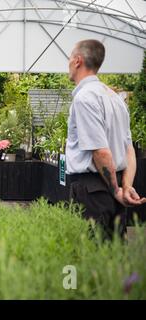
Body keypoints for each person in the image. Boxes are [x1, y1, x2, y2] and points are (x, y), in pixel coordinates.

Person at [66, 39, 146, 240]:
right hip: (114, 185)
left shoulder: (85, 98)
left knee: (90, 255)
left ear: (77, 61)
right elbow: (129, 149)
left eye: (69, 59)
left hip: (93, 189)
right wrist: (125, 186)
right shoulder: (115, 98)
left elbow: (100, 152)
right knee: (111, 256)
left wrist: (116, 190)